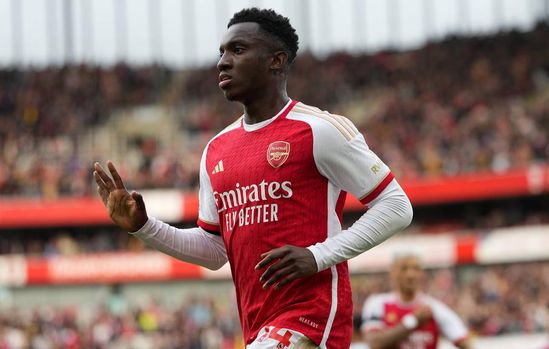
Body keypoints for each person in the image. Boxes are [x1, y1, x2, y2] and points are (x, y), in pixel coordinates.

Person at [93, 8, 413, 349]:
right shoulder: (216, 150)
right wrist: (144, 227)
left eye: (238, 50)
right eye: (222, 53)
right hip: (258, 326)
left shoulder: (319, 130)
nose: (223, 62)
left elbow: (395, 205)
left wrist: (318, 256)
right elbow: (215, 249)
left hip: (311, 321)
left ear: (276, 61)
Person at [361, 254, 471, 349]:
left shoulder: (434, 307)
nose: (410, 275)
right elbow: (375, 344)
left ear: (422, 274)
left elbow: (465, 342)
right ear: (392, 273)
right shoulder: (377, 303)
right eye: (404, 268)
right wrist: (413, 320)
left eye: (416, 269)